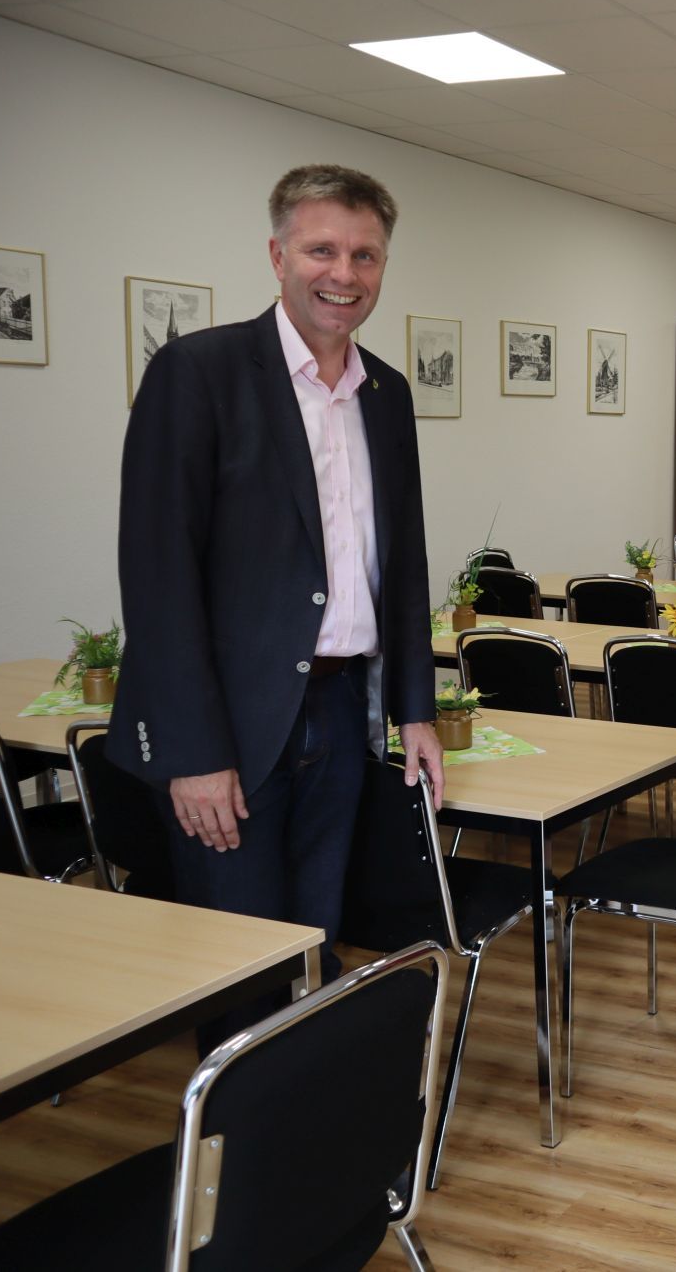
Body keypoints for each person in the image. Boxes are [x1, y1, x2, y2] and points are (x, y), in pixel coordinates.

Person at [107, 164, 444, 1041]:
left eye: (365, 254)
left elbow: (401, 563)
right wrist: (191, 751)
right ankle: (235, 1164)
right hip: (229, 724)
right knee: (238, 961)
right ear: (277, 254)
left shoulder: (387, 394)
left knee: (315, 941)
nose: (344, 272)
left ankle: (302, 1148)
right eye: (322, 248)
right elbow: (158, 573)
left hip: (339, 709)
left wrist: (416, 709)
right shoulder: (199, 372)